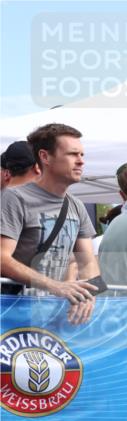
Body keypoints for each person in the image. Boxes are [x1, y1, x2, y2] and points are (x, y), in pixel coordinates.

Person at [0, 124, 99, 323]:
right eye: (72, 154)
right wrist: (55, 286)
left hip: (55, 318)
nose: (81, 161)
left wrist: (89, 294)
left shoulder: (77, 206)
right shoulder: (15, 197)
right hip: (14, 315)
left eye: (82, 154)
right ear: (44, 157)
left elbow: (88, 262)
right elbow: (2, 258)